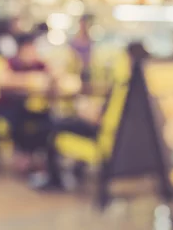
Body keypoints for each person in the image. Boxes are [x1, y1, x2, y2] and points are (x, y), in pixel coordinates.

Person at [33, 42, 149, 191]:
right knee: (64, 123)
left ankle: (55, 180)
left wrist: (89, 114)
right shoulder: (146, 92)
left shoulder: (123, 88)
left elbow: (104, 121)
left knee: (54, 128)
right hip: (126, 144)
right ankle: (75, 171)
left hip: (106, 140)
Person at [0, 33, 53, 173]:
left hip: (33, 106)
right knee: (19, 116)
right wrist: (27, 79)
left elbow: (52, 76)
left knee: (47, 119)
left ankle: (36, 154)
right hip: (9, 105)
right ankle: (22, 153)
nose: (31, 53)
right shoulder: (11, 63)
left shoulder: (40, 64)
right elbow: (1, 80)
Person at [70, 15, 93, 82]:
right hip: (77, 68)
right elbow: (72, 53)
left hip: (87, 68)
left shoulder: (89, 39)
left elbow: (91, 54)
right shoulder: (76, 39)